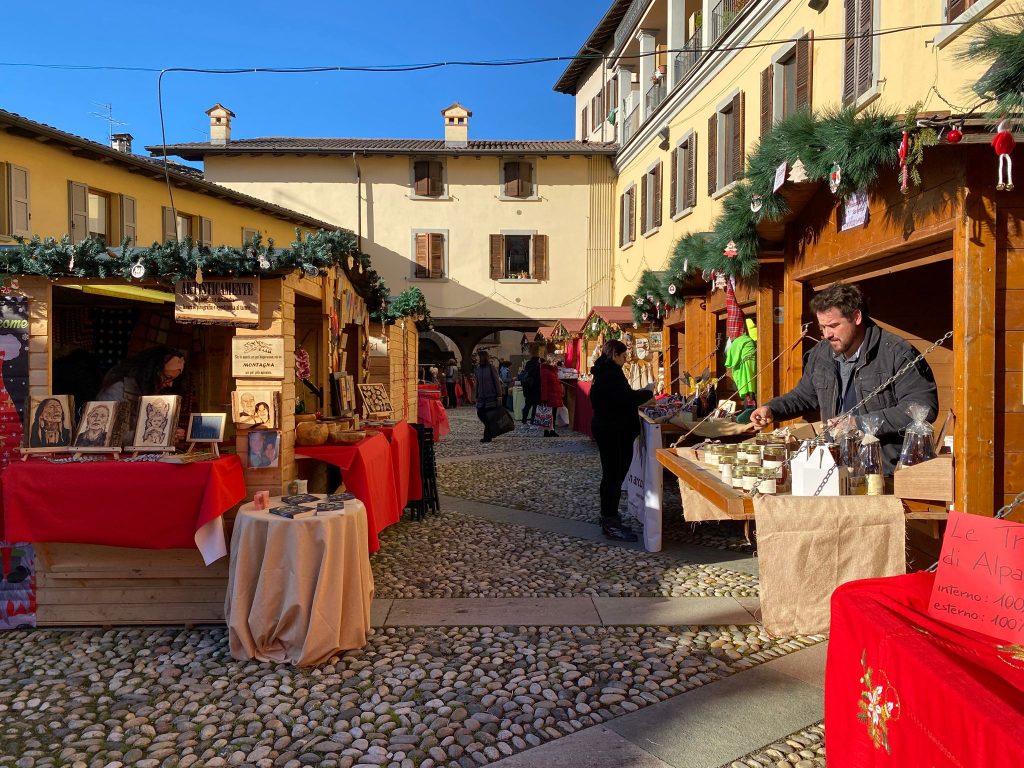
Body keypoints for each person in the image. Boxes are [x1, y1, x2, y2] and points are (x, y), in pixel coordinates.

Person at [749, 283, 938, 472]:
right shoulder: (821, 353)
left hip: (884, 469)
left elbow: (923, 407)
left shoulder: (896, 353)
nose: (827, 334)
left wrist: (858, 423)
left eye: (833, 325)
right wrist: (772, 409)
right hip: (836, 464)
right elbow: (804, 395)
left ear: (856, 317)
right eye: (822, 327)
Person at [590, 340, 656, 542]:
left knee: (611, 476)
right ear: (615, 355)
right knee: (614, 476)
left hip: (609, 428)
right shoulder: (611, 374)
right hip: (614, 431)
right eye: (624, 356)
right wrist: (647, 392)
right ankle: (610, 521)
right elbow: (624, 398)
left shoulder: (604, 371)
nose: (626, 359)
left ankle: (608, 516)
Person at [96, 346, 187, 445]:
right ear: (153, 372)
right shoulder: (117, 390)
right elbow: (113, 435)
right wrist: (160, 436)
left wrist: (169, 432)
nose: (170, 384)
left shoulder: (146, 390)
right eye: (167, 377)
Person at [474, 350, 504, 443]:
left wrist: (499, 395)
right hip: (481, 397)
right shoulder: (478, 369)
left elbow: (496, 382)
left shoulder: (491, 368)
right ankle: (490, 432)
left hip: (491, 396)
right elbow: (477, 383)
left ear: (483, 357)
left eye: (478, 356)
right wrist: (476, 395)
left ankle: (487, 437)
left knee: (488, 417)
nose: (476, 358)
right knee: (480, 414)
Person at [539, 353, 564, 438]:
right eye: (555, 360)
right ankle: (547, 431)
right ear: (551, 360)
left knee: (553, 413)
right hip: (549, 395)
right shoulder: (545, 370)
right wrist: (544, 398)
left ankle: (552, 430)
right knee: (547, 414)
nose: (556, 362)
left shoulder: (553, 369)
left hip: (554, 395)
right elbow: (544, 385)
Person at [519, 344, 542, 425]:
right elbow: (539, 378)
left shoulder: (528, 364)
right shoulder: (539, 366)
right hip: (536, 389)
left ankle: (524, 420)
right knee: (535, 406)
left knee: (527, 405)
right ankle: (532, 421)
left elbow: (525, 375)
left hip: (528, 388)